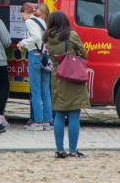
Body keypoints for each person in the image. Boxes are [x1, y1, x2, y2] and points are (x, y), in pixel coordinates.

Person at [43, 10, 89, 158]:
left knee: (59, 115)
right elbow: (84, 53)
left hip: (57, 77)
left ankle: (60, 150)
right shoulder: (71, 35)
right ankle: (73, 150)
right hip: (72, 77)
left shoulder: (47, 38)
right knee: (74, 114)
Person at [18, 2, 52, 130]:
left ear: (26, 12)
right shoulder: (42, 21)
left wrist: (23, 42)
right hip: (45, 57)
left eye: (22, 14)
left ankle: (37, 122)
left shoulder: (30, 21)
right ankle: (47, 122)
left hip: (35, 56)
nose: (22, 17)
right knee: (45, 91)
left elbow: (35, 37)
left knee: (36, 90)